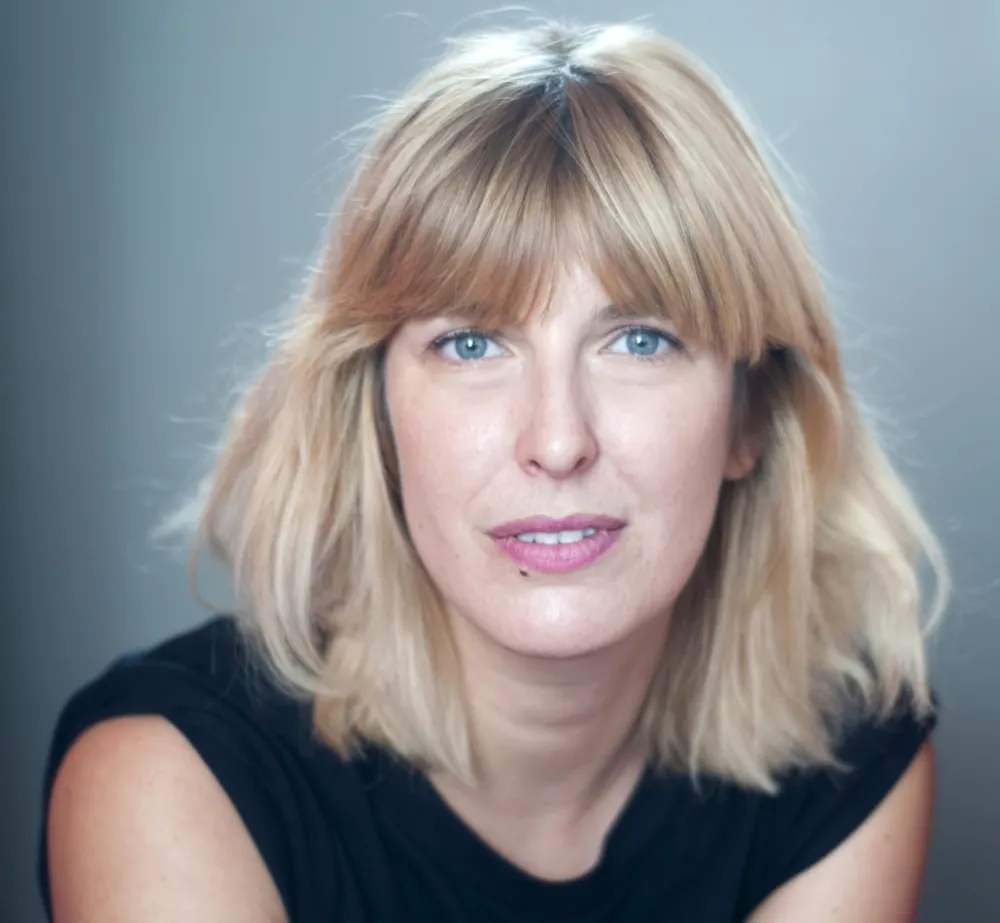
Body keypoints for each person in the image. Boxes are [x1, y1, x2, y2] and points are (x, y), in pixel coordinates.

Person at [38, 20, 948, 923]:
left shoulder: (849, 764)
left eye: (641, 340)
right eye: (472, 343)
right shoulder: (173, 776)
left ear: (750, 414)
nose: (557, 440)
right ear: (376, 412)